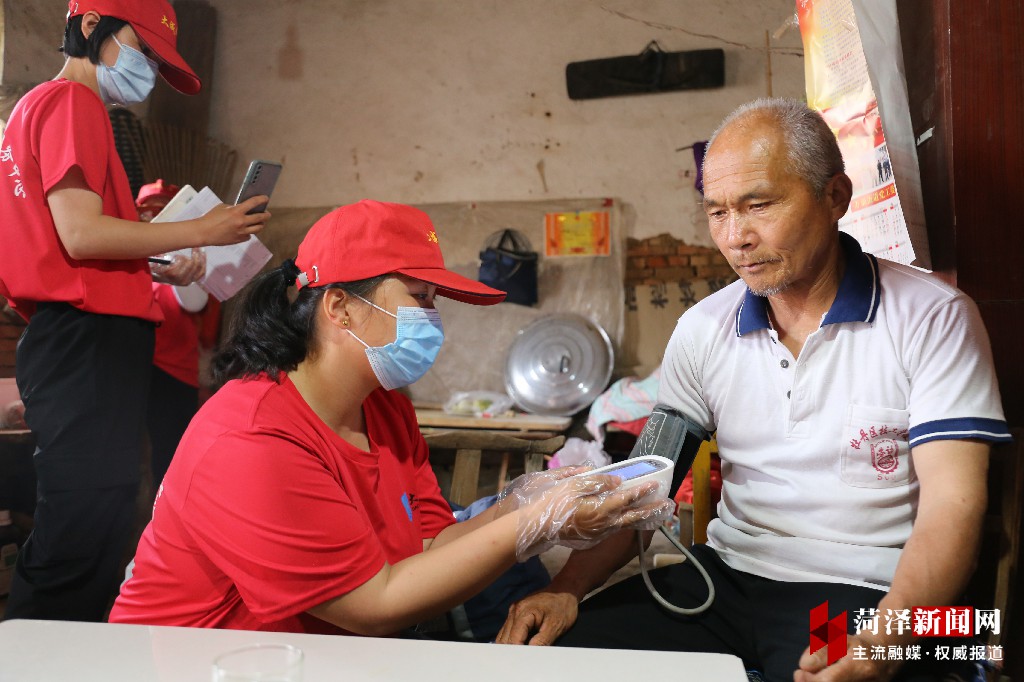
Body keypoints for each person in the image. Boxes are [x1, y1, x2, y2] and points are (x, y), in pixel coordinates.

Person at [496, 98, 1012, 682]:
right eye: (717, 212)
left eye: (758, 205)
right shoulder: (703, 330)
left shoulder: (932, 318)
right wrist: (566, 589)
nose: (735, 237)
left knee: (855, 666)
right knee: (563, 662)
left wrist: (884, 639)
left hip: (864, 589)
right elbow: (644, 483)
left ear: (835, 197)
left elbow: (955, 505)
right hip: (727, 580)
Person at [108, 200, 674, 634]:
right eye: (419, 297)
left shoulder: (385, 409)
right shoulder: (253, 436)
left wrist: (528, 503)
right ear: (340, 306)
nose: (433, 319)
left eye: (435, 301)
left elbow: (428, 547)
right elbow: (372, 605)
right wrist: (530, 524)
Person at [0, 0, 269, 622]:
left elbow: (66, 245)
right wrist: (201, 228)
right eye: (142, 48)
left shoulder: (36, 107)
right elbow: (82, 236)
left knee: (93, 520)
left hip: (75, 337)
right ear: (91, 25)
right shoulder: (74, 103)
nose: (146, 68)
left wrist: (153, 264)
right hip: (85, 342)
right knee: (80, 532)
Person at [136, 179, 213, 486]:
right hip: (134, 366)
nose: (152, 220)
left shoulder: (184, 260)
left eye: (160, 212)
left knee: (170, 457)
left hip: (175, 371)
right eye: (146, 214)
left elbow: (196, 303)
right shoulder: (128, 258)